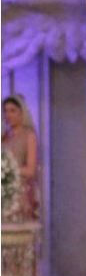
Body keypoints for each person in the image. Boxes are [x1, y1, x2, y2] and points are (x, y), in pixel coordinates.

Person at [2, 94, 41, 223]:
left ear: (21, 112)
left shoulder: (29, 136)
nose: (8, 115)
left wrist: (8, 170)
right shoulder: (4, 138)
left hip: (21, 194)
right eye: (5, 111)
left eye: (12, 111)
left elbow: (31, 170)